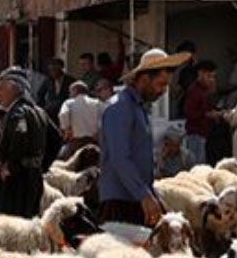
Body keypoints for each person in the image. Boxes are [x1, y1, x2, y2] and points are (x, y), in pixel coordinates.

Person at [98, 48, 186, 225]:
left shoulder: (138, 108)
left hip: (135, 199)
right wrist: (143, 194)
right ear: (145, 79)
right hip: (120, 202)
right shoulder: (120, 108)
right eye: (161, 84)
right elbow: (120, 158)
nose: (163, 91)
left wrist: (149, 194)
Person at [0, 68, 47, 218]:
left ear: (13, 89)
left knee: (10, 224)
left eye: (1, 89)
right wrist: (40, 164)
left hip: (16, 181)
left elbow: (18, 140)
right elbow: (55, 140)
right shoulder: (39, 111)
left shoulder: (18, 113)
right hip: (34, 176)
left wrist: (9, 166)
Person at [182, 61, 218, 166]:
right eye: (209, 76)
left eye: (213, 77)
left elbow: (209, 108)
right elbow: (189, 113)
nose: (211, 79)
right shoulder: (194, 91)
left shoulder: (205, 91)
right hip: (196, 134)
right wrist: (207, 115)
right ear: (200, 74)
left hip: (204, 134)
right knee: (197, 166)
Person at [57, 80, 103, 158]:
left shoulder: (69, 103)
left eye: (70, 92)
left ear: (75, 90)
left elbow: (63, 114)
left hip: (76, 142)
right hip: (93, 142)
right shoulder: (97, 103)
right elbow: (103, 119)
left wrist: (66, 129)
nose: (69, 94)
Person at [37, 57, 76, 122]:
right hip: (50, 112)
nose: (53, 72)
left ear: (61, 68)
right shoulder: (48, 80)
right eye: (51, 70)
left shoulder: (70, 81)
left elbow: (75, 96)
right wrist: (42, 108)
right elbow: (40, 94)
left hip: (65, 111)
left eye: (55, 69)